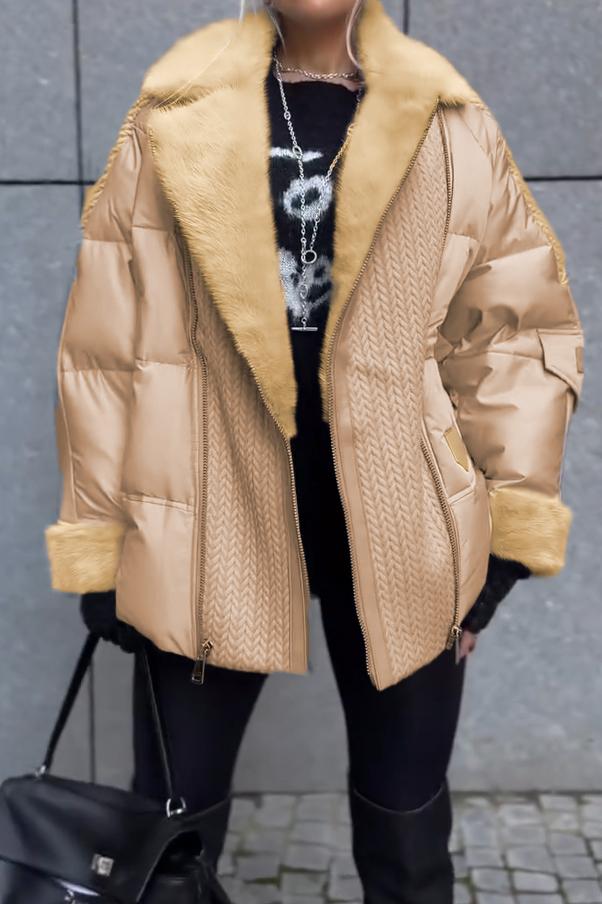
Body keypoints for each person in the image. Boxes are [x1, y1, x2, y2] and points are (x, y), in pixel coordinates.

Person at [43, 0, 585, 900]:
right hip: (205, 519)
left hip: (407, 524)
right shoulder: (172, 114)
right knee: (169, 837)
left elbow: (516, 333)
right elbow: (105, 350)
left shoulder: (448, 120)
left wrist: (505, 538)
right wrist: (103, 545)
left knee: (408, 834)